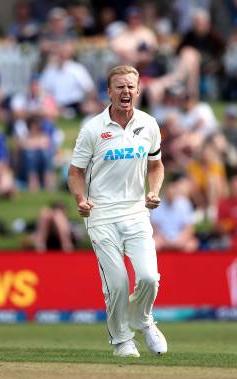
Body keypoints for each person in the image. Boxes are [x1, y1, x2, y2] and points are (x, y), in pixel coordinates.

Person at [68, 65, 167, 358]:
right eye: (119, 87)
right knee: (118, 284)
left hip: (136, 211)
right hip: (101, 215)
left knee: (149, 277)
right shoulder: (93, 129)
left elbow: (157, 165)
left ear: (138, 91)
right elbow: (75, 172)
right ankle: (122, 340)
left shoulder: (149, 124)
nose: (126, 92)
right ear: (109, 92)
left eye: (130, 87)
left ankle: (144, 321)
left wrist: (154, 191)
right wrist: (80, 199)